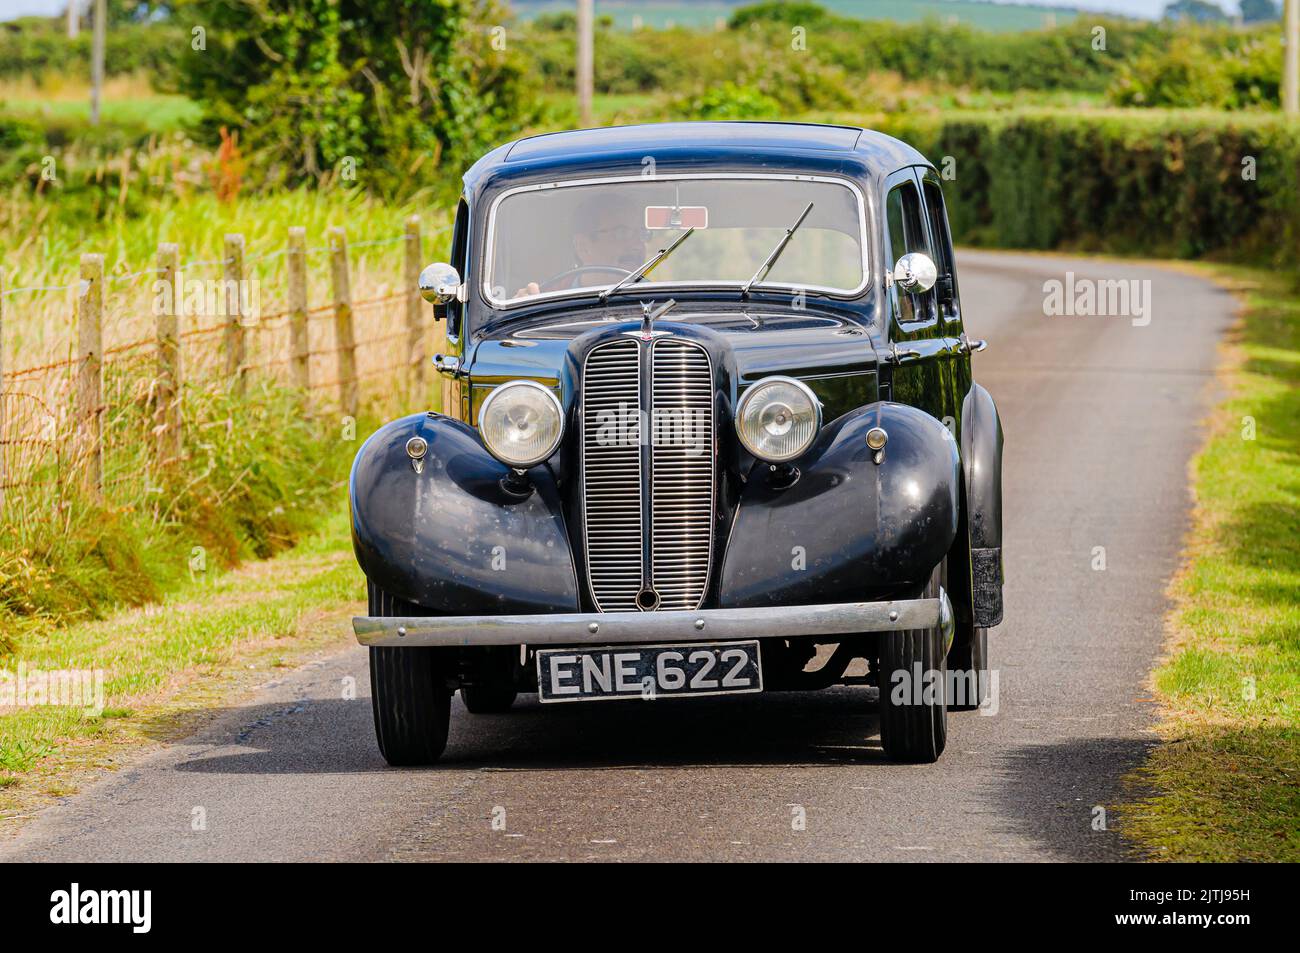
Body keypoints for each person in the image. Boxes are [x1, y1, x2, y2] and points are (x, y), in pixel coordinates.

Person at [513, 193, 649, 298]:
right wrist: (521, 308)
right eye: (622, 233)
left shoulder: (661, 300)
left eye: (641, 233)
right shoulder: (547, 298)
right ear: (583, 246)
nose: (638, 245)